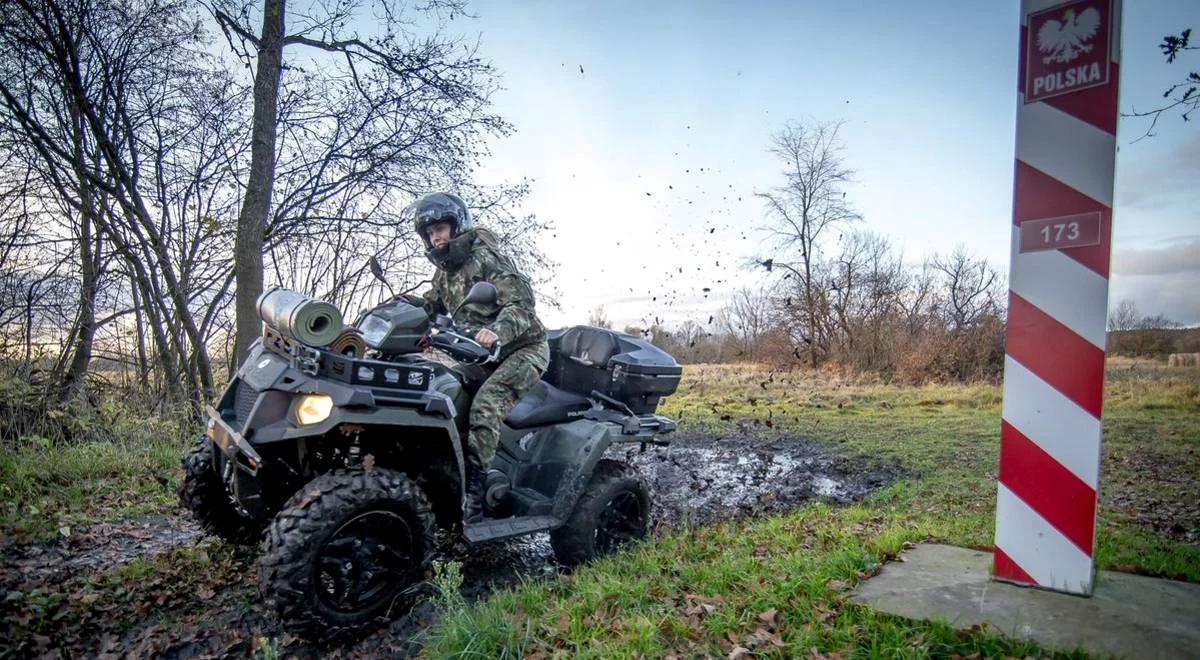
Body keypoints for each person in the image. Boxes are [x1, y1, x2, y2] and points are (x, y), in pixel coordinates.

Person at [408, 192, 549, 521]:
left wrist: (497, 331)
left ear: (457, 226)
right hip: (479, 354)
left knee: (486, 405)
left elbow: (521, 303)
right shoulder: (444, 273)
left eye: (441, 228)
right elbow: (430, 305)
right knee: (445, 393)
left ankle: (473, 497)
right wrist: (394, 313)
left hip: (521, 349)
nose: (435, 237)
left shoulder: (486, 257)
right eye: (429, 233)